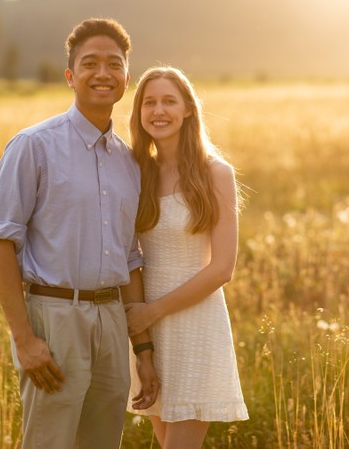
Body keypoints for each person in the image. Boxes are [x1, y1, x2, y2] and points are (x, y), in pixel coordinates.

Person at [0, 18, 159, 449]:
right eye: (89, 64)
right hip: (54, 320)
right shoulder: (33, 146)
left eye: (113, 65)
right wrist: (25, 340)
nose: (102, 74)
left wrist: (143, 352)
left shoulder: (131, 162)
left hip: (113, 320)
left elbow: (131, 257)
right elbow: (1, 243)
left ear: (126, 77)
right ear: (70, 76)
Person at [124, 66, 248, 448]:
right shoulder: (136, 173)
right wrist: (142, 330)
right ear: (139, 113)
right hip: (149, 332)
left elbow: (222, 268)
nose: (158, 111)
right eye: (149, 102)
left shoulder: (215, 174)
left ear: (189, 109)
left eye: (168, 101)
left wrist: (153, 310)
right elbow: (131, 257)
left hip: (195, 323)